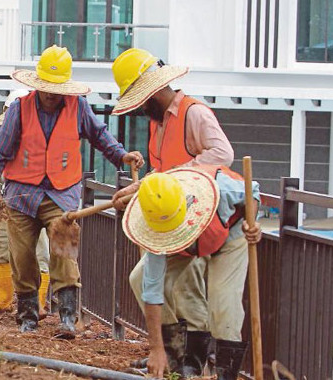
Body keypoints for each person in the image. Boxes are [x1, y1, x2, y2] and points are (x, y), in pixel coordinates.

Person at [0, 45, 144, 339]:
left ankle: (68, 317)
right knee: (22, 255)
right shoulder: (19, 109)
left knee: (64, 251)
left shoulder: (78, 107)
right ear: (38, 84)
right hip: (22, 194)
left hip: (61, 193)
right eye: (47, 88)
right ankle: (28, 315)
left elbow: (100, 136)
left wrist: (121, 156)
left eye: (57, 88)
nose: (52, 94)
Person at [110, 47, 237, 373]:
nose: (138, 109)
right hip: (171, 215)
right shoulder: (158, 123)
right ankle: (169, 353)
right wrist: (138, 188)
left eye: (139, 99)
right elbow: (162, 171)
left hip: (200, 216)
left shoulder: (194, 114)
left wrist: (179, 177)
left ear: (153, 90)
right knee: (142, 280)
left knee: (187, 290)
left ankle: (192, 363)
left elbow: (223, 154)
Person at [118, 166, 261, 379]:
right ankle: (175, 359)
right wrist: (155, 348)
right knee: (139, 278)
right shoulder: (156, 219)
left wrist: (253, 222)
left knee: (223, 302)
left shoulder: (222, 189)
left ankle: (225, 374)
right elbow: (152, 290)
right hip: (186, 241)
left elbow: (253, 192)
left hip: (231, 232)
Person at [0, 90, 52, 316]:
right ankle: (2, 301)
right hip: (9, 205)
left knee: (37, 253)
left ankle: (38, 304)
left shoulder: (38, 138)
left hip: (34, 206)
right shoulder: (8, 138)